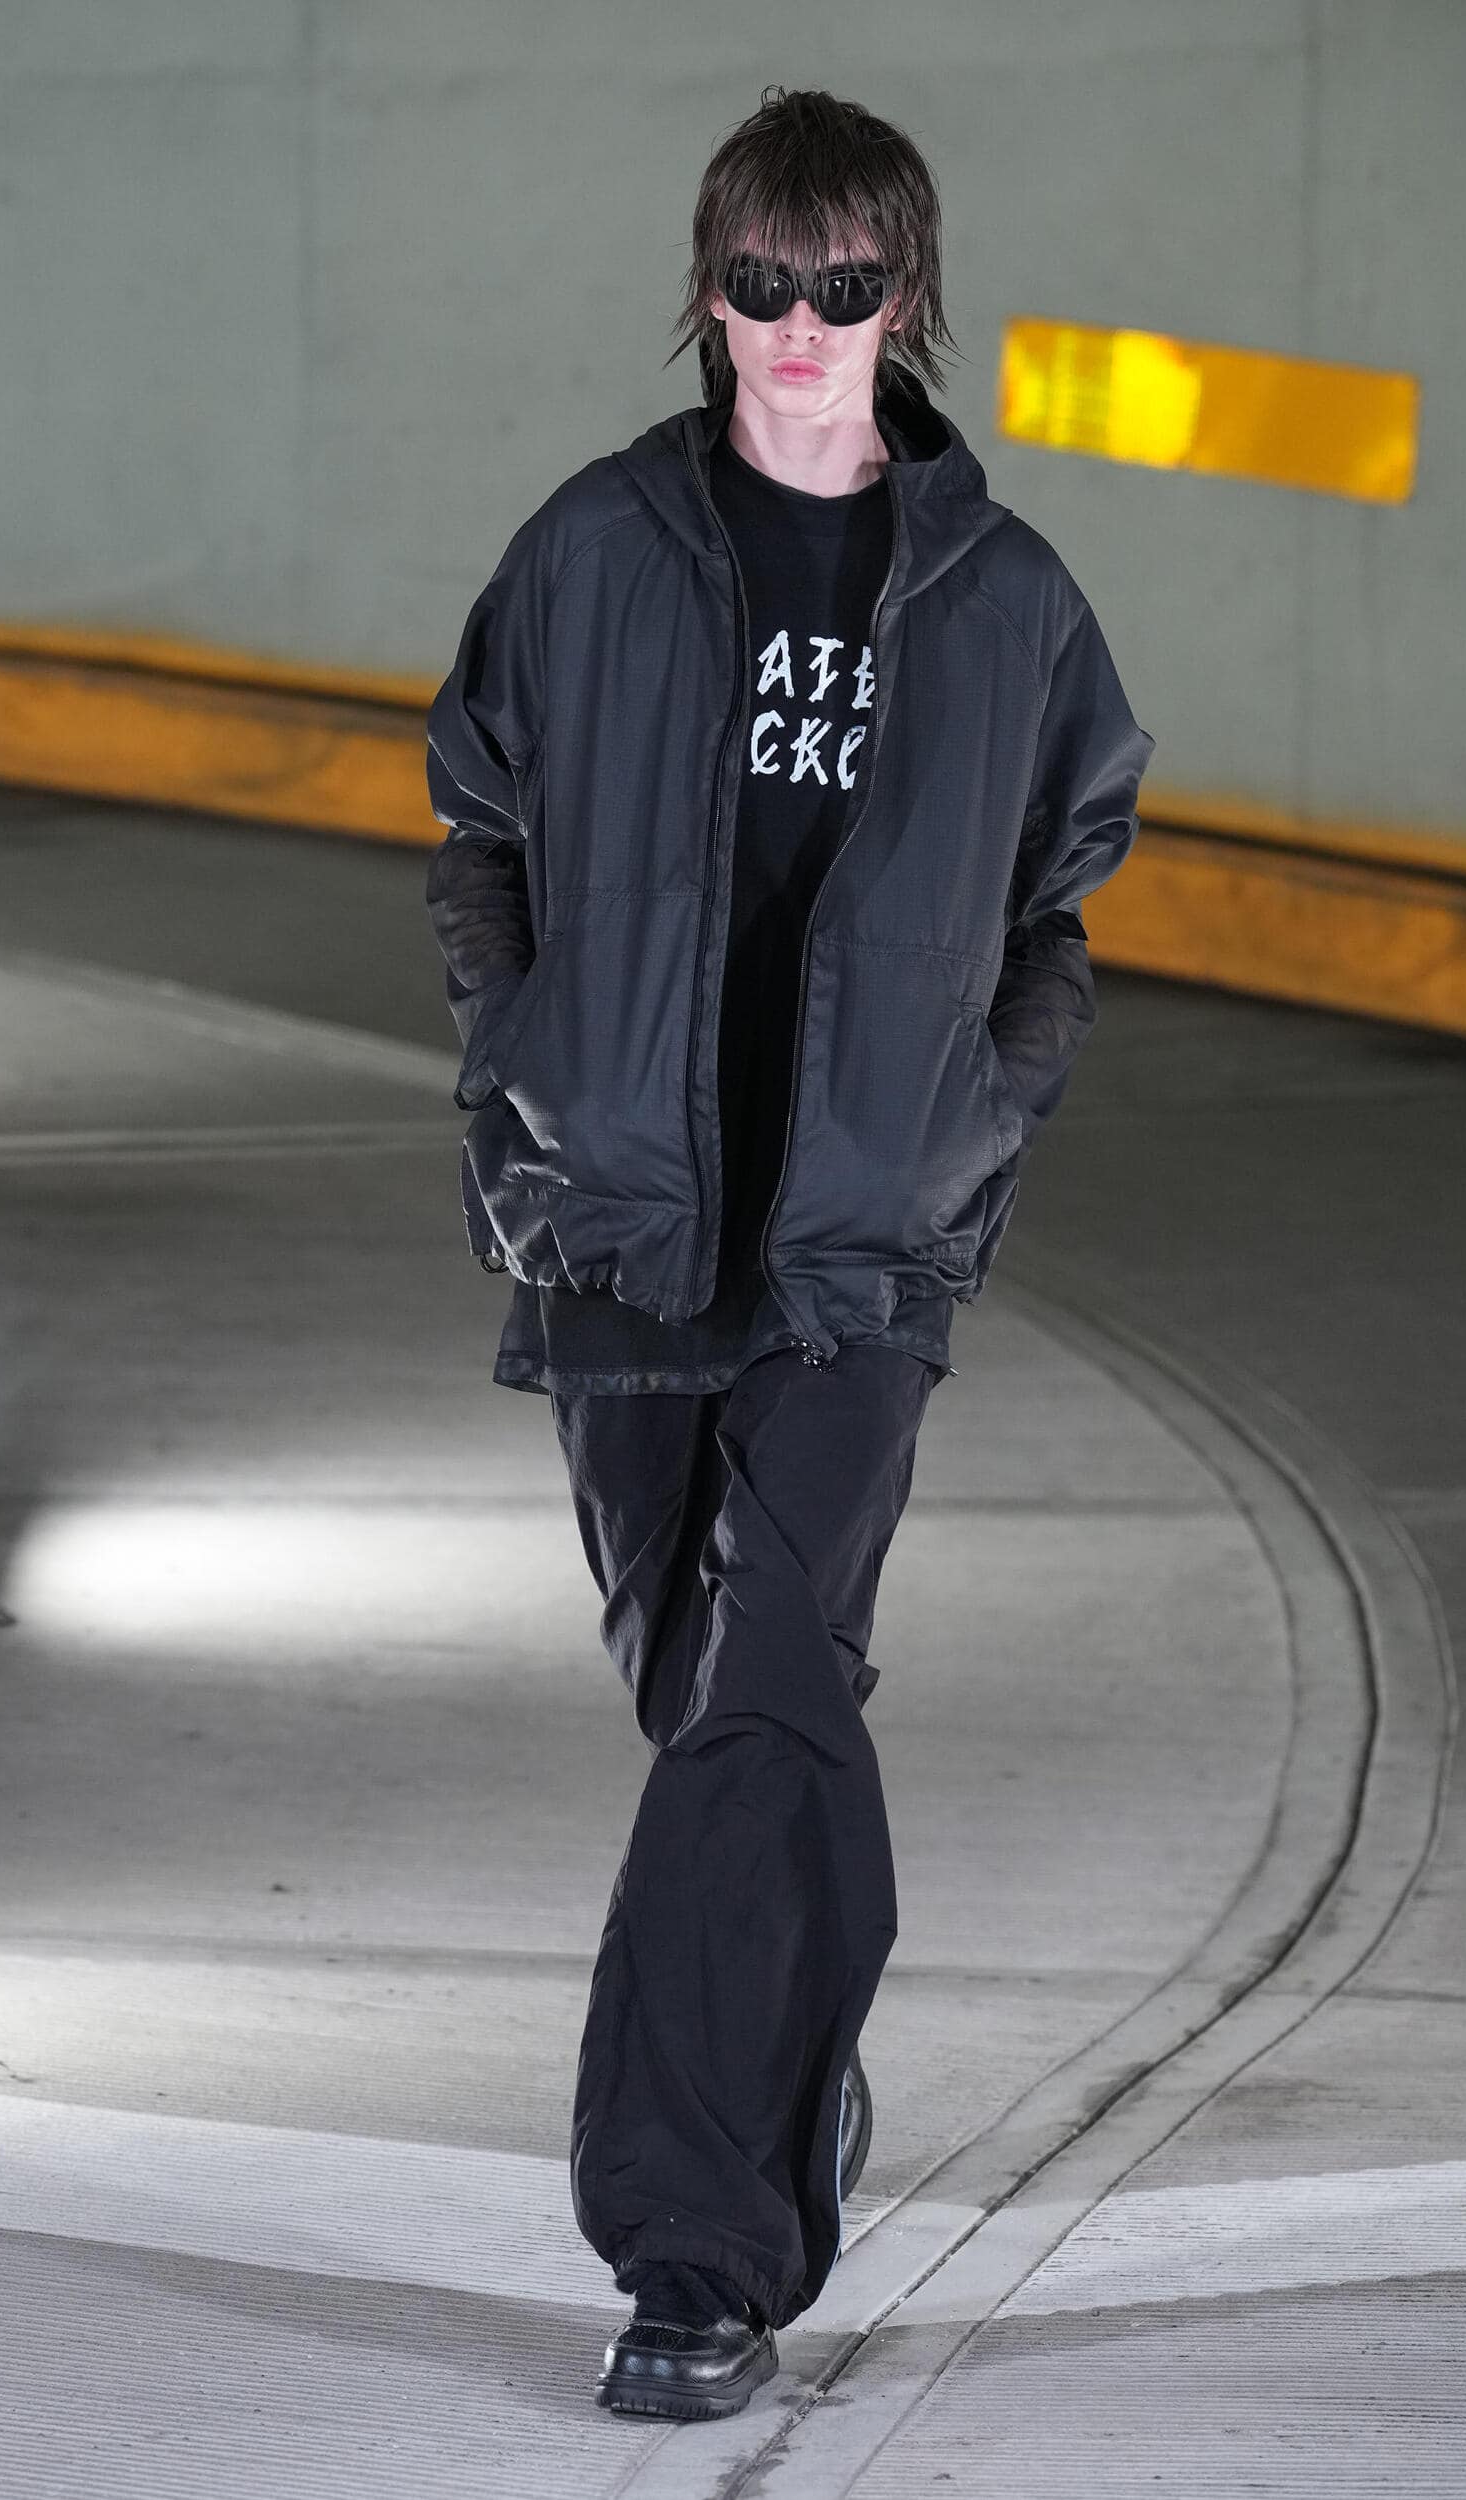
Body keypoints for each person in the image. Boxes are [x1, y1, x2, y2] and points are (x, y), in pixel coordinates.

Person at [424, 84, 1154, 2423]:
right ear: (710, 294)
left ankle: (696, 2249)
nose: (805, 326)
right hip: (628, 1221)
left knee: (764, 1686)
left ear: (905, 297)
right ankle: (792, 2060)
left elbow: (1058, 904)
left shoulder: (1008, 600)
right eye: (765, 284)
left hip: (860, 1247)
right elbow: (476, 821)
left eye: (847, 285)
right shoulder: (593, 547)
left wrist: (977, 1116)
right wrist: (520, 1060)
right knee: (709, 1689)